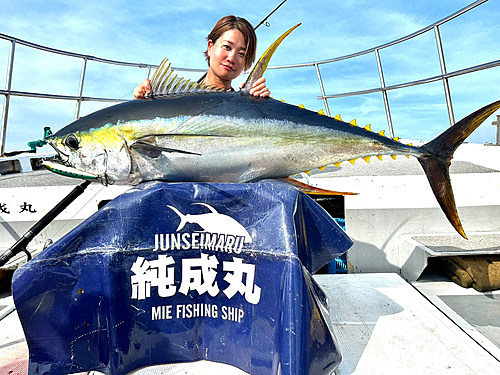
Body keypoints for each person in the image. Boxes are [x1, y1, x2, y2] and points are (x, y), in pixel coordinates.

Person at [134, 15, 270, 99]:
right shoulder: (171, 96)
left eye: (241, 54)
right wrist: (144, 102)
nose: (231, 58)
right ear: (210, 47)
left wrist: (260, 103)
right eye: (227, 47)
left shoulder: (246, 102)